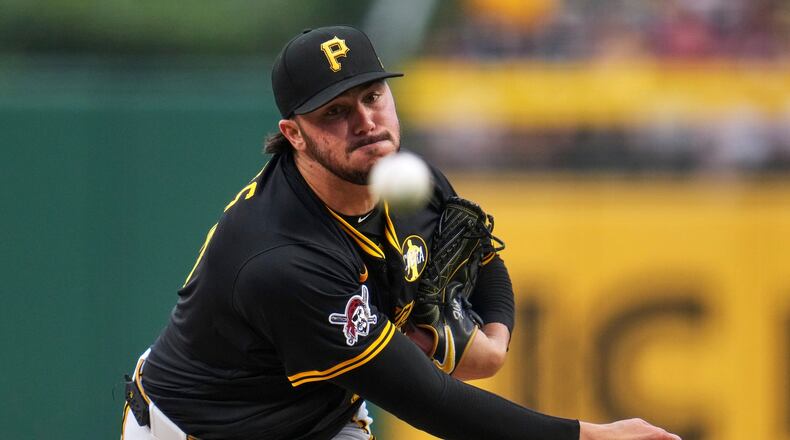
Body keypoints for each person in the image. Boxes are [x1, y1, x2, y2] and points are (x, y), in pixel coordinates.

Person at [121, 25, 681, 440]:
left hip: (317, 414)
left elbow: (484, 263)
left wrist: (495, 342)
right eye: (335, 111)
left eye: (372, 96)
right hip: (205, 430)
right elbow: (431, 402)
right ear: (294, 134)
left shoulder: (405, 180)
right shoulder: (281, 259)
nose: (365, 121)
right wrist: (590, 436)